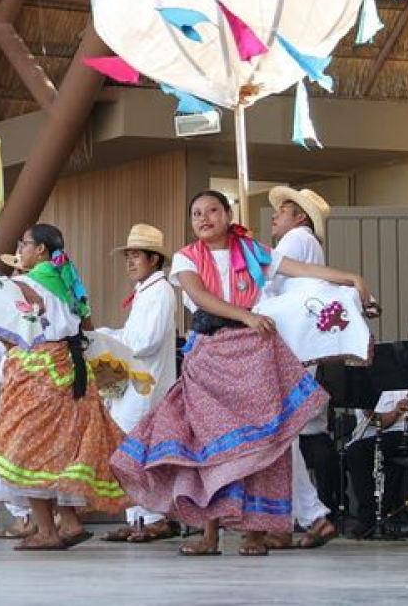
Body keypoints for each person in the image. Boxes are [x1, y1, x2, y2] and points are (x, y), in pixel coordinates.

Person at [110, 190, 372, 556]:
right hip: (210, 353)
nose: (204, 218)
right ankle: (210, 534)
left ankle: (256, 533)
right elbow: (201, 297)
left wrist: (350, 277)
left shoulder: (253, 250)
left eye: (213, 211)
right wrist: (246, 315)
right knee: (209, 445)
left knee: (262, 444)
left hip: (254, 352)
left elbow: (302, 270)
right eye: (197, 213)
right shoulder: (187, 257)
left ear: (228, 214)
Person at [0, 224, 128, 551]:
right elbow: (86, 327)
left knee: (25, 448)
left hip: (37, 369)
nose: (21, 250)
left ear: (41, 250)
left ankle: (47, 530)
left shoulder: (22, 283)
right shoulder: (69, 284)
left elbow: (8, 330)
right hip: (72, 369)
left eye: (25, 244)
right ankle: (70, 521)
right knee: (59, 448)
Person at [260, 186, 338, 549]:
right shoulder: (310, 245)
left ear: (300, 217)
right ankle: (300, 516)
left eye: (284, 210)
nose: (276, 216)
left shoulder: (295, 239)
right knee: (280, 435)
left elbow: (266, 283)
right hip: (300, 347)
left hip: (288, 347)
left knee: (277, 433)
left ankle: (303, 515)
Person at [96, 224, 179, 544]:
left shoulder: (159, 292)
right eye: (128, 257)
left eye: (136, 256)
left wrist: (108, 336)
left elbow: (145, 341)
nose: (130, 262)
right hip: (133, 384)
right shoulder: (148, 291)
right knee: (129, 452)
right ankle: (139, 518)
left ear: (154, 259)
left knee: (133, 452)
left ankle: (153, 518)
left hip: (145, 386)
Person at [346, 390, 408, 538]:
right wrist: (396, 412)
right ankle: (369, 519)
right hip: (384, 434)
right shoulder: (373, 384)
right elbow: (375, 420)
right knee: (356, 452)